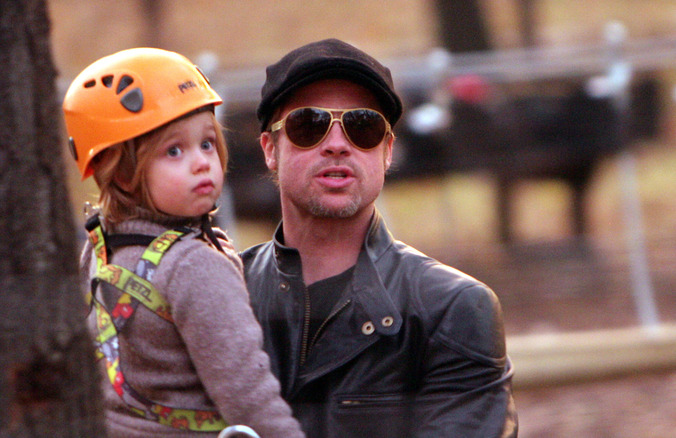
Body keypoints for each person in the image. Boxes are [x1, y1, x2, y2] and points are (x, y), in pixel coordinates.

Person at [241, 38, 518, 437]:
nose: (337, 144)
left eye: (362, 127)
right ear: (270, 149)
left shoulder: (452, 310)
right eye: (308, 125)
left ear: (387, 151)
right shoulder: (224, 293)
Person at [62, 48, 304, 438]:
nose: (200, 162)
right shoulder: (194, 265)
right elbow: (247, 395)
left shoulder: (100, 244)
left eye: (207, 143)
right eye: (174, 151)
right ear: (122, 173)